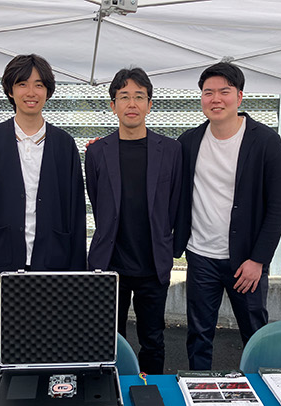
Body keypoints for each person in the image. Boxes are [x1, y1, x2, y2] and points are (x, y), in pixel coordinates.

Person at [175, 62, 281, 370]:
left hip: (246, 261)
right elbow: (156, 165)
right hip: (201, 256)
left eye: (224, 92)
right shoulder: (188, 142)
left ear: (239, 97)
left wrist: (258, 260)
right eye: (208, 92)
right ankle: (198, 388)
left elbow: (278, 207)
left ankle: (266, 391)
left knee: (255, 334)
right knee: (198, 335)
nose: (216, 99)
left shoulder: (265, 141)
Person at [0, 53, 87, 326]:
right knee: (11, 338)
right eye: (22, 84)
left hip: (55, 257)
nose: (31, 92)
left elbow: (75, 209)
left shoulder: (64, 144)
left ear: (48, 91)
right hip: (5, 256)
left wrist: (77, 267)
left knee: (53, 336)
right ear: (10, 90)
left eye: (39, 84)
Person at [85, 67, 183, 375]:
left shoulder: (170, 150)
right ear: (112, 105)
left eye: (139, 97)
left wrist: (171, 249)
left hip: (152, 264)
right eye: (124, 97)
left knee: (153, 340)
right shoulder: (97, 152)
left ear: (150, 104)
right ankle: (112, 391)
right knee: (109, 340)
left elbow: (177, 203)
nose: (132, 104)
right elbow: (97, 199)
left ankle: (151, 392)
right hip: (110, 263)